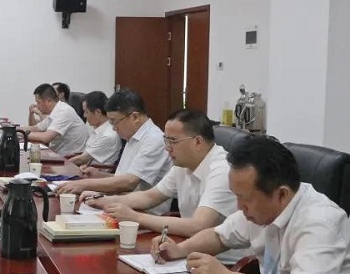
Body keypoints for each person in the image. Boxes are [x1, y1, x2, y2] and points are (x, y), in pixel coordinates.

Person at [152, 137, 350, 274]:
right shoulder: (262, 207)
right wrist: (179, 250)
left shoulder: (320, 221)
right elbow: (219, 236)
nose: (239, 206)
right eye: (236, 196)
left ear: (282, 194)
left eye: (245, 199)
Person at [84, 110, 243, 262]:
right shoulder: (184, 164)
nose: (167, 148)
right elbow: (150, 197)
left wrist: (136, 217)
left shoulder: (222, 171)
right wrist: (104, 200)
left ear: (198, 142)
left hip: (225, 264)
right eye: (166, 140)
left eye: (173, 141)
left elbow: (198, 226)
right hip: (189, 251)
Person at [57, 89, 172, 215]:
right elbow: (124, 177)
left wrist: (82, 184)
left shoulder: (154, 139)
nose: (113, 128)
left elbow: (129, 183)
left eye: (114, 122)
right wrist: (99, 175)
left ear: (135, 117)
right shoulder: (133, 136)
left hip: (143, 212)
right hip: (121, 202)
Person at [22, 83, 88, 156]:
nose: (37, 106)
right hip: (57, 154)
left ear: (48, 101)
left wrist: (23, 134)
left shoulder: (64, 111)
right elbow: (37, 128)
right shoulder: (55, 111)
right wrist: (16, 129)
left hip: (71, 158)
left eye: (38, 102)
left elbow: (46, 137)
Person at [67, 91, 121, 167]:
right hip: (85, 167)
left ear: (98, 112)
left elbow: (82, 159)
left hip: (94, 172)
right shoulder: (99, 129)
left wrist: (63, 163)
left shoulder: (108, 135)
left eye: (86, 112)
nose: (84, 116)